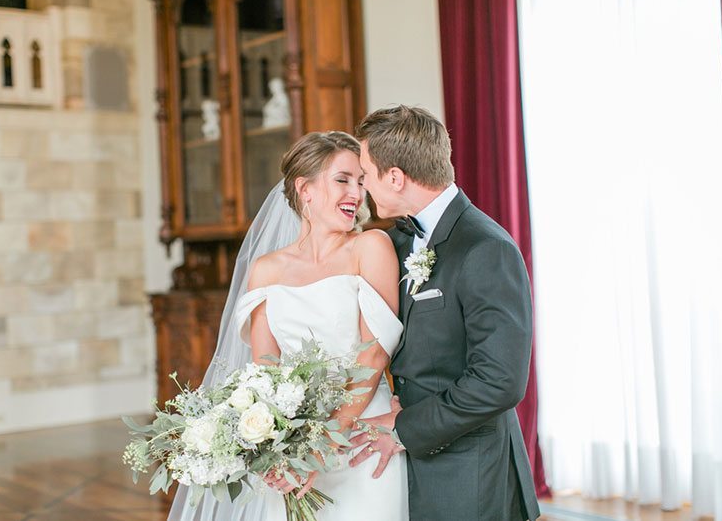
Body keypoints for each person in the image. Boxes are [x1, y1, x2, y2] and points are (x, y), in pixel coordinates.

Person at [167, 131, 409, 521]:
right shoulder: (266, 270)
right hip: (293, 447)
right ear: (305, 189)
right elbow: (265, 367)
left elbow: (374, 354)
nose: (357, 193)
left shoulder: (371, 247)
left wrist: (322, 448)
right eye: (343, 179)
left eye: (362, 182)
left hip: (361, 437)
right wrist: (278, 446)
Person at [348, 105, 542, 521]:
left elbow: (500, 382)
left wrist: (403, 428)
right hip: (411, 464)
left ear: (395, 177)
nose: (363, 188)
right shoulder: (394, 242)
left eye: (366, 175)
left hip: (470, 471)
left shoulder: (486, 248)